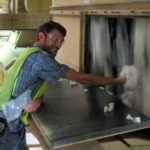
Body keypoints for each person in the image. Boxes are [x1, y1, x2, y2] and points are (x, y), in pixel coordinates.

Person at [0, 20, 126, 150]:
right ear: (41, 36)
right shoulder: (41, 59)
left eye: (61, 41)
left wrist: (35, 99)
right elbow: (81, 78)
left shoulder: (31, 51)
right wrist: (117, 81)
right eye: (55, 39)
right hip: (6, 121)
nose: (59, 45)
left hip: (9, 113)